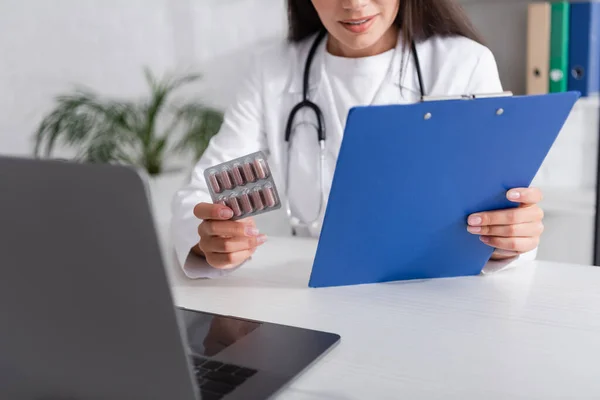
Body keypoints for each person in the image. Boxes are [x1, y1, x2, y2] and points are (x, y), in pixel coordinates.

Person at [171, 0, 544, 279]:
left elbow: (503, 208)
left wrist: (505, 241)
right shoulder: (274, 70)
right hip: (315, 289)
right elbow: (202, 193)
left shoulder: (462, 63)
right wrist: (210, 240)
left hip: (433, 288)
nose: (353, 3)